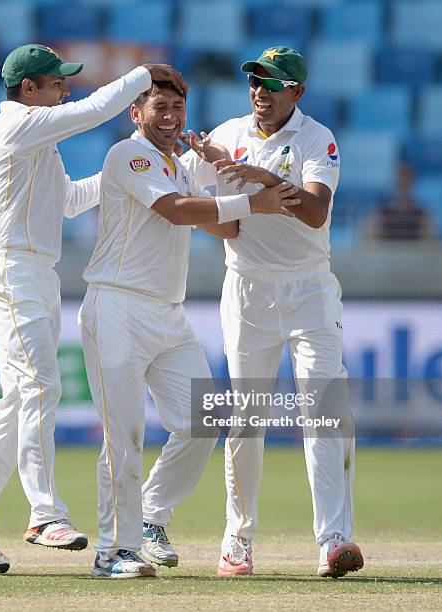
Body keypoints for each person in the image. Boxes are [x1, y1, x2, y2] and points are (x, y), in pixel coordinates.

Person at [0, 43, 189, 574]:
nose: (65, 88)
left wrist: (139, 171)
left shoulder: (37, 142)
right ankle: (44, 513)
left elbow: (70, 202)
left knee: (23, 392)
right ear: (29, 90)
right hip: (11, 270)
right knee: (40, 385)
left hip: (36, 274)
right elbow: (94, 110)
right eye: (57, 83)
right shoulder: (16, 125)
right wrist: (142, 74)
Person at [79, 78, 300, 578]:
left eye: (179, 107)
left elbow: (225, 228)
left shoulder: (178, 165)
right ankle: (113, 550)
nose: (171, 117)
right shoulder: (126, 156)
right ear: (136, 113)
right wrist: (252, 202)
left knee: (202, 420)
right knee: (124, 435)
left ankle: (151, 518)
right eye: (160, 106)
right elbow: (176, 213)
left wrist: (225, 173)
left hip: (167, 315)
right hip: (116, 307)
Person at [180, 46, 364, 578]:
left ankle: (334, 540)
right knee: (247, 419)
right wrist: (216, 218)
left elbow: (314, 211)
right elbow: (198, 200)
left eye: (273, 83)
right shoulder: (228, 133)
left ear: (297, 92)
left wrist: (257, 178)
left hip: (310, 291)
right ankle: (237, 541)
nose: (260, 91)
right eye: (255, 80)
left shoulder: (316, 137)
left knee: (326, 415)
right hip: (247, 289)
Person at [367, 162, 435, 241]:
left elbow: (429, 244)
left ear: (413, 183)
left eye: (406, 183)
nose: (403, 186)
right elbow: (370, 243)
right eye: (400, 183)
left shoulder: (423, 215)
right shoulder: (380, 215)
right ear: (394, 183)